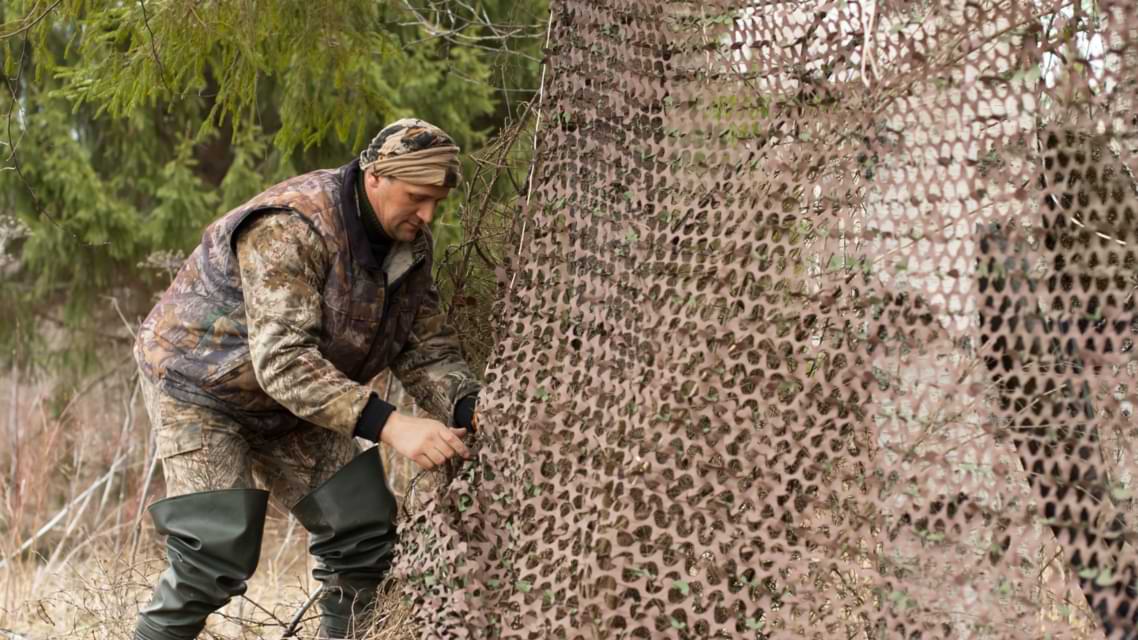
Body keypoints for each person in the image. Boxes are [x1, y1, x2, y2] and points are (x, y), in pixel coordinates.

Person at [131, 118, 482, 640]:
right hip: (202, 389)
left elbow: (423, 347)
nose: (427, 215)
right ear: (376, 177)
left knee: (361, 531)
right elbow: (284, 362)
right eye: (417, 197)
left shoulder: (410, 246)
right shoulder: (292, 226)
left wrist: (470, 409)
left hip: (301, 396)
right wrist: (394, 426)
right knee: (215, 550)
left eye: (437, 201)